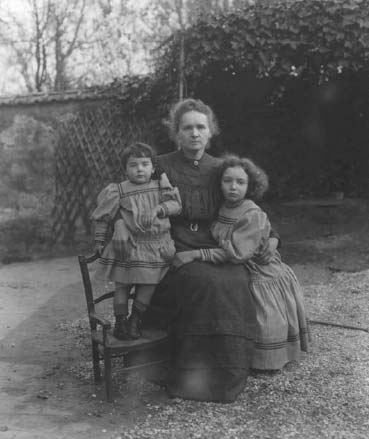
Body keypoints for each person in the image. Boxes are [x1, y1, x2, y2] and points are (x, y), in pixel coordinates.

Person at [147, 98, 280, 402]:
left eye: (200, 127)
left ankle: (230, 372)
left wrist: (272, 239)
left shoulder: (222, 168)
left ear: (210, 132)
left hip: (217, 248)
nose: (194, 133)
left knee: (234, 280)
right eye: (187, 128)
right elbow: (133, 197)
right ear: (176, 133)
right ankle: (191, 376)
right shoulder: (161, 166)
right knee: (203, 282)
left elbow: (248, 210)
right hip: (175, 248)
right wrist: (117, 225)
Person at [175, 154, 309, 371]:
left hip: (259, 266)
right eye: (227, 181)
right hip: (236, 261)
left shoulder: (251, 213)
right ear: (219, 183)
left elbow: (237, 252)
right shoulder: (221, 207)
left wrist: (195, 254)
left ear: (251, 186)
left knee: (263, 316)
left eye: (240, 182)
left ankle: (267, 361)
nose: (233, 187)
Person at [91, 142, 182, 340]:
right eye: (133, 165)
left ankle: (136, 319)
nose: (139, 169)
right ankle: (120, 321)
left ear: (153, 167)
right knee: (122, 285)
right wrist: (99, 239)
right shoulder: (119, 190)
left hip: (156, 246)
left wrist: (159, 209)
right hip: (129, 246)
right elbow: (104, 216)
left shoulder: (160, 186)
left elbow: (176, 205)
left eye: (144, 164)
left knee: (150, 283)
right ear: (125, 169)